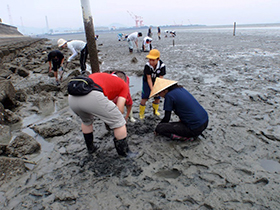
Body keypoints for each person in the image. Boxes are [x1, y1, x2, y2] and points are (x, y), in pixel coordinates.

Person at [68, 72, 137, 157]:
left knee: (86, 122)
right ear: (124, 80)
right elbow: (120, 108)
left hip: (72, 98)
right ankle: (125, 154)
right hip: (92, 95)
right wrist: (118, 121)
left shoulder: (103, 76)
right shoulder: (123, 84)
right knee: (119, 121)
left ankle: (91, 149)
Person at [139, 49, 166, 119]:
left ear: (158, 59)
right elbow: (149, 78)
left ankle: (155, 111)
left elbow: (160, 79)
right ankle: (141, 113)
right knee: (145, 97)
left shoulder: (162, 66)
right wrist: (152, 89)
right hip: (147, 81)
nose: (151, 62)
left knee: (157, 98)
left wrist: (156, 89)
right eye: (149, 59)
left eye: (153, 60)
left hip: (157, 81)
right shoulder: (147, 66)